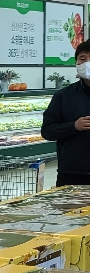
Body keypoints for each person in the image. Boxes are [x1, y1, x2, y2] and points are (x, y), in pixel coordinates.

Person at [42, 42, 90, 186]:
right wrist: (73, 126)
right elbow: (47, 131)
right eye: (83, 59)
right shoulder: (63, 96)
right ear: (76, 63)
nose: (87, 63)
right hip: (72, 173)